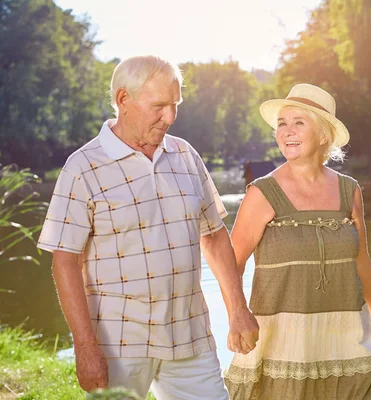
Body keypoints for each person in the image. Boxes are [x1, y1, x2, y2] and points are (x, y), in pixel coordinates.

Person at [37, 55, 259, 399]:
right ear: (123, 100)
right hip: (118, 341)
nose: (169, 117)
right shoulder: (83, 167)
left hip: (190, 335)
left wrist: (238, 310)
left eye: (175, 105)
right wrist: (84, 346)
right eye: (159, 105)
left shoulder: (185, 156)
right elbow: (65, 261)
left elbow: (214, 237)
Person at [224, 84, 371, 399]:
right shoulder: (261, 193)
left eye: (299, 122)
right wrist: (237, 315)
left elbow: (362, 262)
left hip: (346, 342)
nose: (287, 131)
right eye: (282, 124)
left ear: (324, 134)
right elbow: (230, 262)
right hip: (281, 345)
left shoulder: (349, 190)